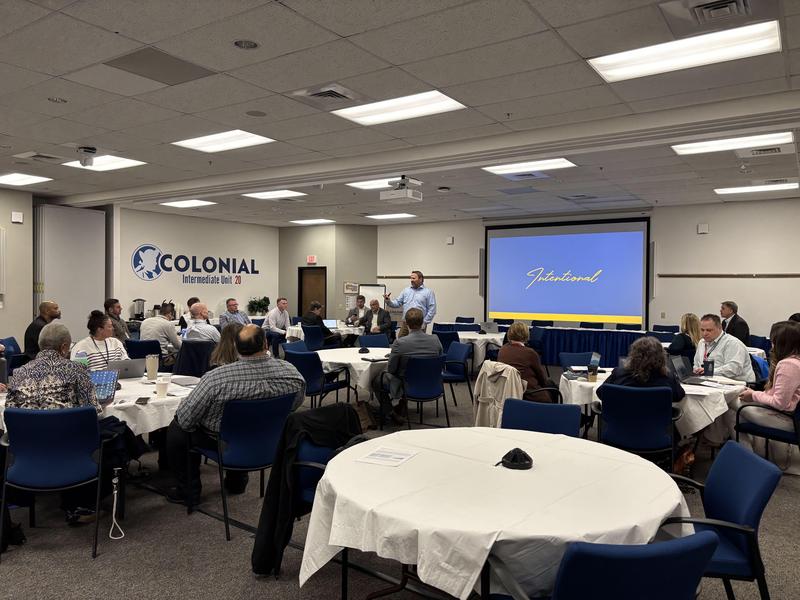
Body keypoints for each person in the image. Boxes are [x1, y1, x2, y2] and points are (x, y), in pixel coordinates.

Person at [164, 325, 305, 504]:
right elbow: (296, 403)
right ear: (266, 344)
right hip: (272, 441)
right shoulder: (291, 372)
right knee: (241, 426)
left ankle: (188, 491)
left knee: (178, 430)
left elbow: (186, 420)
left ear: (236, 347)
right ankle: (237, 482)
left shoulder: (216, 379)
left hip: (224, 442)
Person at [6, 322, 103, 524]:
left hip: (29, 455)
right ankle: (81, 504)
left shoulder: (17, 374)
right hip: (71, 453)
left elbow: (11, 415)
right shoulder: (76, 371)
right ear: (65, 347)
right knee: (112, 431)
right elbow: (94, 413)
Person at [372, 308, 443, 424]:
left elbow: (391, 369)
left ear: (406, 323)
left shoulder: (400, 343)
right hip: (432, 383)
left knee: (377, 381)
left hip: (408, 385)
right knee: (406, 374)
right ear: (422, 322)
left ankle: (391, 413)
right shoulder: (435, 339)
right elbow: (439, 360)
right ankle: (402, 404)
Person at [738, 322, 800, 440]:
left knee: (731, 404)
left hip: (785, 418)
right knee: (734, 413)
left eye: (773, 340)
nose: (771, 344)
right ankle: (750, 453)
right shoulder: (794, 360)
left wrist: (754, 395)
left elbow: (779, 403)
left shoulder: (789, 364)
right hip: (786, 414)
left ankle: (745, 453)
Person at [600, 336, 685, 402]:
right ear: (661, 357)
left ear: (633, 355)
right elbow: (679, 396)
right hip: (657, 423)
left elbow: (601, 393)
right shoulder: (668, 378)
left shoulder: (619, 374)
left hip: (621, 422)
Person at [497, 322, 552, 402]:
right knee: (552, 387)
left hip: (507, 392)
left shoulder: (502, 349)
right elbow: (541, 377)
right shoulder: (530, 353)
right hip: (528, 393)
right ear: (526, 335)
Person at [693, 314, 755, 381]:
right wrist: (697, 370)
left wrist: (710, 371)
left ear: (720, 328)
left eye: (709, 330)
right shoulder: (702, 342)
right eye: (702, 330)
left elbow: (734, 369)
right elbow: (696, 363)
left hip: (736, 383)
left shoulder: (732, 343)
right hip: (710, 381)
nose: (705, 333)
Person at [384, 271, 436, 337]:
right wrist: (388, 301)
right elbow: (397, 303)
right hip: (406, 323)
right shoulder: (406, 290)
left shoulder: (428, 292)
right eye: (411, 278)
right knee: (401, 341)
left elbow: (432, 309)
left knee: (417, 344)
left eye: (414, 278)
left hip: (419, 324)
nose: (411, 280)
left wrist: (424, 322)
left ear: (420, 279)